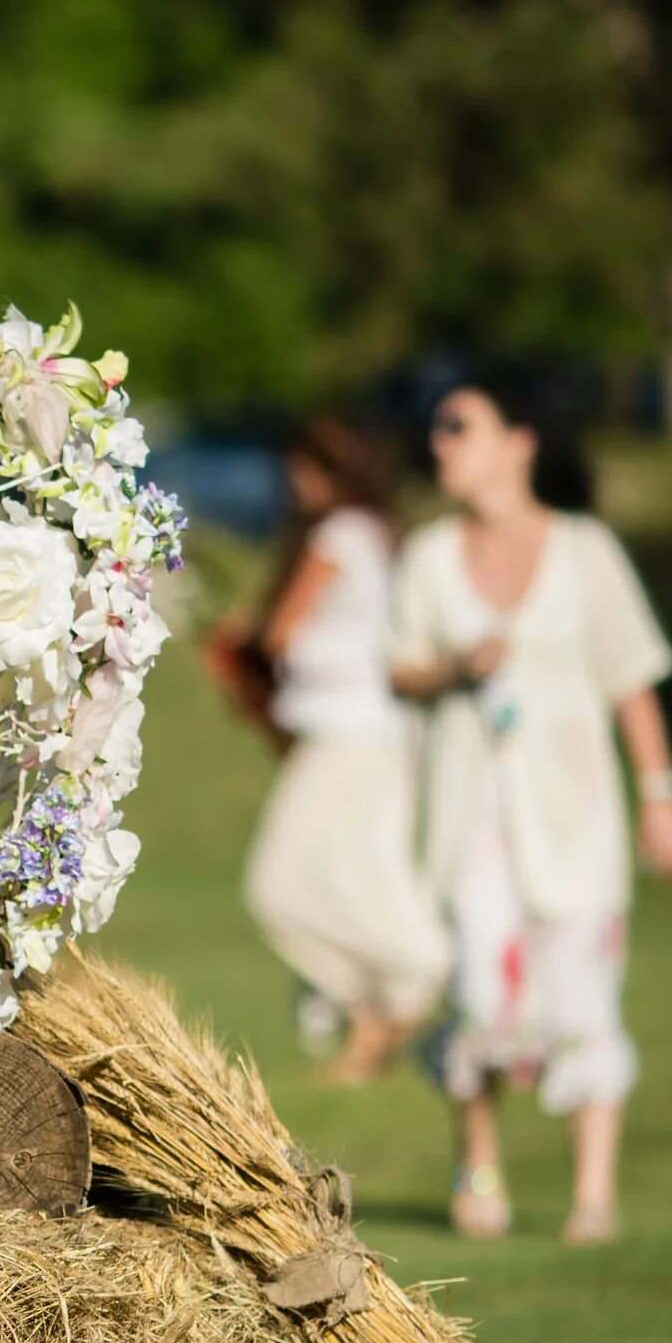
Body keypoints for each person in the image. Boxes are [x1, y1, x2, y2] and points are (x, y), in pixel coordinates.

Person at [389, 377, 672, 1244]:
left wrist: (660, 795)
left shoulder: (586, 550)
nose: (440, 441)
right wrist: (455, 667)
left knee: (583, 994)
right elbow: (398, 668)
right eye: (436, 427)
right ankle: (478, 1166)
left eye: (459, 425)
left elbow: (631, 678)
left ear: (519, 440)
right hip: (468, 817)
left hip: (575, 814)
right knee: (483, 993)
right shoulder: (428, 556)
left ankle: (593, 1196)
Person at [234, 419, 449, 1080]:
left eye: (308, 471)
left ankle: (417, 970)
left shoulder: (337, 535)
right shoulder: (388, 536)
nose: (299, 486)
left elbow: (279, 635)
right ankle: (377, 1016)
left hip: (343, 732)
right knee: (367, 871)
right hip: (386, 731)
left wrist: (237, 640)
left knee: (278, 885)